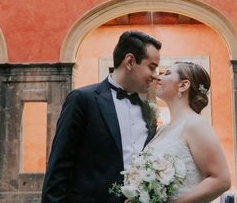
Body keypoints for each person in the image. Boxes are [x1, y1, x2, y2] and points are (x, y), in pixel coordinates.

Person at [41, 30, 162, 203]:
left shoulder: (148, 110)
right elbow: (59, 167)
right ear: (130, 61)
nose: (155, 75)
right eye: (151, 66)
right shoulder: (83, 99)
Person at [147, 61, 231, 203]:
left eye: (167, 73)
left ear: (183, 85)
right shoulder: (162, 130)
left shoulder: (195, 124)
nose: (158, 77)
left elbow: (221, 180)